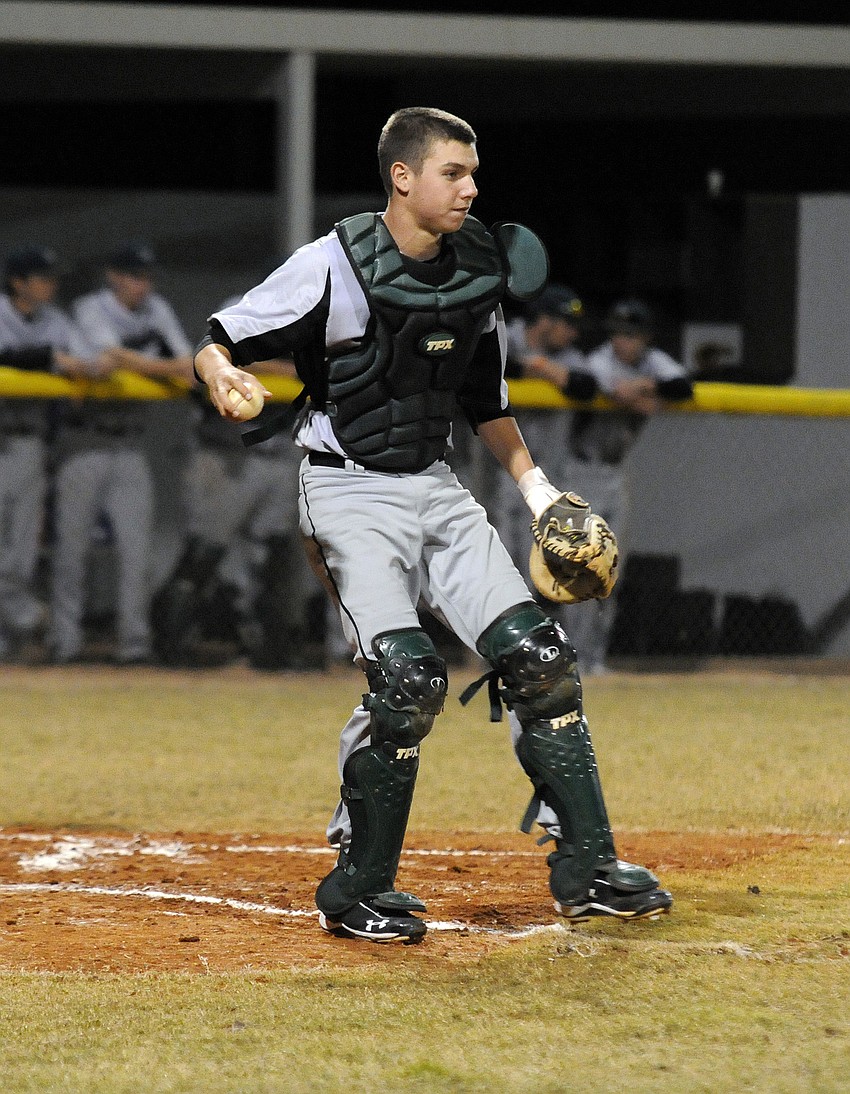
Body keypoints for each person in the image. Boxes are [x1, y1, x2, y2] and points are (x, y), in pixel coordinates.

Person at [194, 106, 672, 944]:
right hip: (348, 492)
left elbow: (485, 399)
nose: (471, 188)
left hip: (437, 485)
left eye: (474, 173)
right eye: (453, 173)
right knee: (408, 681)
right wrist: (221, 377)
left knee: (542, 660)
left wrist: (536, 491)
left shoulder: (477, 267)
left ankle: (588, 867)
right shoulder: (332, 263)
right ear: (403, 178)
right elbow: (219, 336)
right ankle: (359, 888)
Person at [150, 307, 324, 670]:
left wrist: (281, 369)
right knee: (203, 555)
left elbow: (321, 369)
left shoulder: (307, 314)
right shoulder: (241, 309)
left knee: (275, 557)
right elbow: (204, 362)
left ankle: (273, 653)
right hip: (224, 455)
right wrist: (282, 369)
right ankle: (169, 650)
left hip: (278, 453)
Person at [47, 241, 194, 665]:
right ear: (114, 275)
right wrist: (162, 368)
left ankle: (134, 645)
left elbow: (184, 363)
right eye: (133, 276)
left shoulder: (156, 308)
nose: (141, 285)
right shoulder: (91, 307)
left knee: (137, 551)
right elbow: (108, 358)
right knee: (72, 550)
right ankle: (65, 643)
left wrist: (144, 364)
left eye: (146, 276)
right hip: (84, 440)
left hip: (130, 440)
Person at [557, 298, 694, 674]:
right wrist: (646, 395)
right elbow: (617, 393)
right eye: (618, 333)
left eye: (631, 335)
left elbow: (682, 386)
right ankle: (572, 658)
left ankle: (595, 658)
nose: (623, 342)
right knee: (579, 568)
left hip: (615, 474)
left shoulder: (652, 362)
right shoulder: (600, 360)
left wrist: (648, 388)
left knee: (609, 568)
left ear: (645, 339)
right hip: (581, 472)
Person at [0, 244, 111, 663]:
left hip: (27, 440)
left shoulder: (55, 319)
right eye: (41, 278)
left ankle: (12, 644)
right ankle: (26, 618)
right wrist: (52, 359)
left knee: (23, 550)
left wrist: (84, 365)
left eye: (51, 278)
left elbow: (93, 362)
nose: (50, 285)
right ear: (17, 282)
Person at [488, 284, 598, 651]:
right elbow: (485, 361)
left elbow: (586, 386)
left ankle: (548, 650)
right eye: (566, 323)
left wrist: (543, 369)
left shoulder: (566, 356)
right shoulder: (508, 338)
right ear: (545, 320)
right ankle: (502, 652)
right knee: (503, 568)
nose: (572, 332)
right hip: (498, 476)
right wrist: (529, 365)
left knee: (560, 568)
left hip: (550, 480)